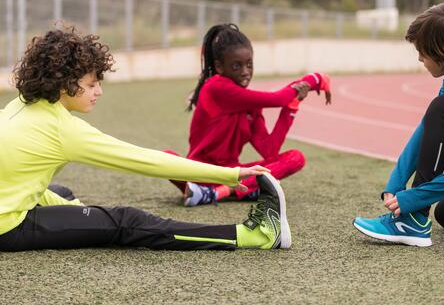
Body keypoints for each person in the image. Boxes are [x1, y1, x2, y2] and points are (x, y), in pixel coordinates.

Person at [0, 27, 291, 252]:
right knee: (126, 220)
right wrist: (231, 174)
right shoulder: (63, 130)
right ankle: (254, 236)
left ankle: (82, 215)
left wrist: (78, 213)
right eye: (91, 84)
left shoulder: (21, 104)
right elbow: (147, 161)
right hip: (7, 227)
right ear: (63, 83)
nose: (98, 91)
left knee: (60, 191)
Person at [353, 2, 444, 247]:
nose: (420, 58)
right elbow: (428, 126)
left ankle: (413, 221)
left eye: (423, 51)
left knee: (443, 107)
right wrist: (396, 183)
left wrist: (415, 199)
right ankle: (415, 217)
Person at [169, 23, 331, 206]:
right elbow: (277, 98)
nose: (245, 72)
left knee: (295, 158)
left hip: (230, 174)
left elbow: (269, 150)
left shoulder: (249, 104)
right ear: (220, 67)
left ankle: (217, 192)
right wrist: (315, 80)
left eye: (249, 64)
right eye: (236, 66)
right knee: (166, 157)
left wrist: (292, 106)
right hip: (201, 171)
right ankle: (240, 190)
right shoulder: (216, 87)